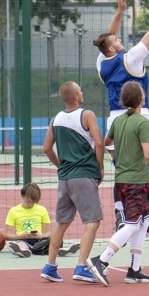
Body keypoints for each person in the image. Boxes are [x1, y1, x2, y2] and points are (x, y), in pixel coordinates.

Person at [93, 0, 149, 246]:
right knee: (147, 167)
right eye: (117, 41)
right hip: (140, 117)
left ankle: (121, 214)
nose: (120, 40)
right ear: (111, 48)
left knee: (123, 170)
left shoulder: (101, 63)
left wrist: (119, 11)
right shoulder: (131, 58)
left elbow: (109, 36)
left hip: (115, 120)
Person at [87, 81, 149, 286]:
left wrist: (124, 146)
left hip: (121, 181)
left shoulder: (118, 122)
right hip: (137, 181)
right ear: (141, 99)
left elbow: (107, 142)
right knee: (133, 224)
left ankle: (135, 269)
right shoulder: (143, 123)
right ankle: (101, 260)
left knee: (143, 221)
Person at [41, 81, 105, 283]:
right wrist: (100, 167)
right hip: (84, 174)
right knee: (92, 221)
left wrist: (60, 165)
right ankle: (81, 266)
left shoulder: (56, 119)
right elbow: (100, 142)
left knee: (61, 223)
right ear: (76, 96)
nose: (83, 92)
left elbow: (46, 148)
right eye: (81, 90)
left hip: (65, 177)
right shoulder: (87, 115)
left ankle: (50, 266)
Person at [4, 183, 53, 257]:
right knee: (20, 244)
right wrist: (21, 236)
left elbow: (49, 233)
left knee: (53, 240)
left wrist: (40, 236)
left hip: (39, 240)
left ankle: (61, 250)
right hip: (22, 239)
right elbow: (7, 236)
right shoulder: (13, 211)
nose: (31, 204)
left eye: (34, 201)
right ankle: (23, 251)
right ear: (22, 196)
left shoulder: (42, 210)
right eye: (29, 201)